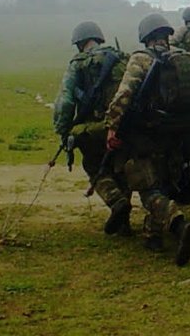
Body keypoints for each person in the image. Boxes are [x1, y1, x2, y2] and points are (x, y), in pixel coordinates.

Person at [105, 13, 190, 266]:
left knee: (149, 191)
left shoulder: (141, 59)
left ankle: (179, 224)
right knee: (166, 184)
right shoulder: (184, 58)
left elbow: (124, 94)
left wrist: (112, 127)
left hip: (147, 137)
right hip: (180, 136)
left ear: (146, 36)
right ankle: (153, 237)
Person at [52, 21, 132, 235]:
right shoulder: (123, 58)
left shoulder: (78, 64)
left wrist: (63, 130)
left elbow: (65, 102)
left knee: (94, 165)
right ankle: (124, 223)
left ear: (79, 43)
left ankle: (116, 202)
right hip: (125, 125)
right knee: (121, 168)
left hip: (97, 128)